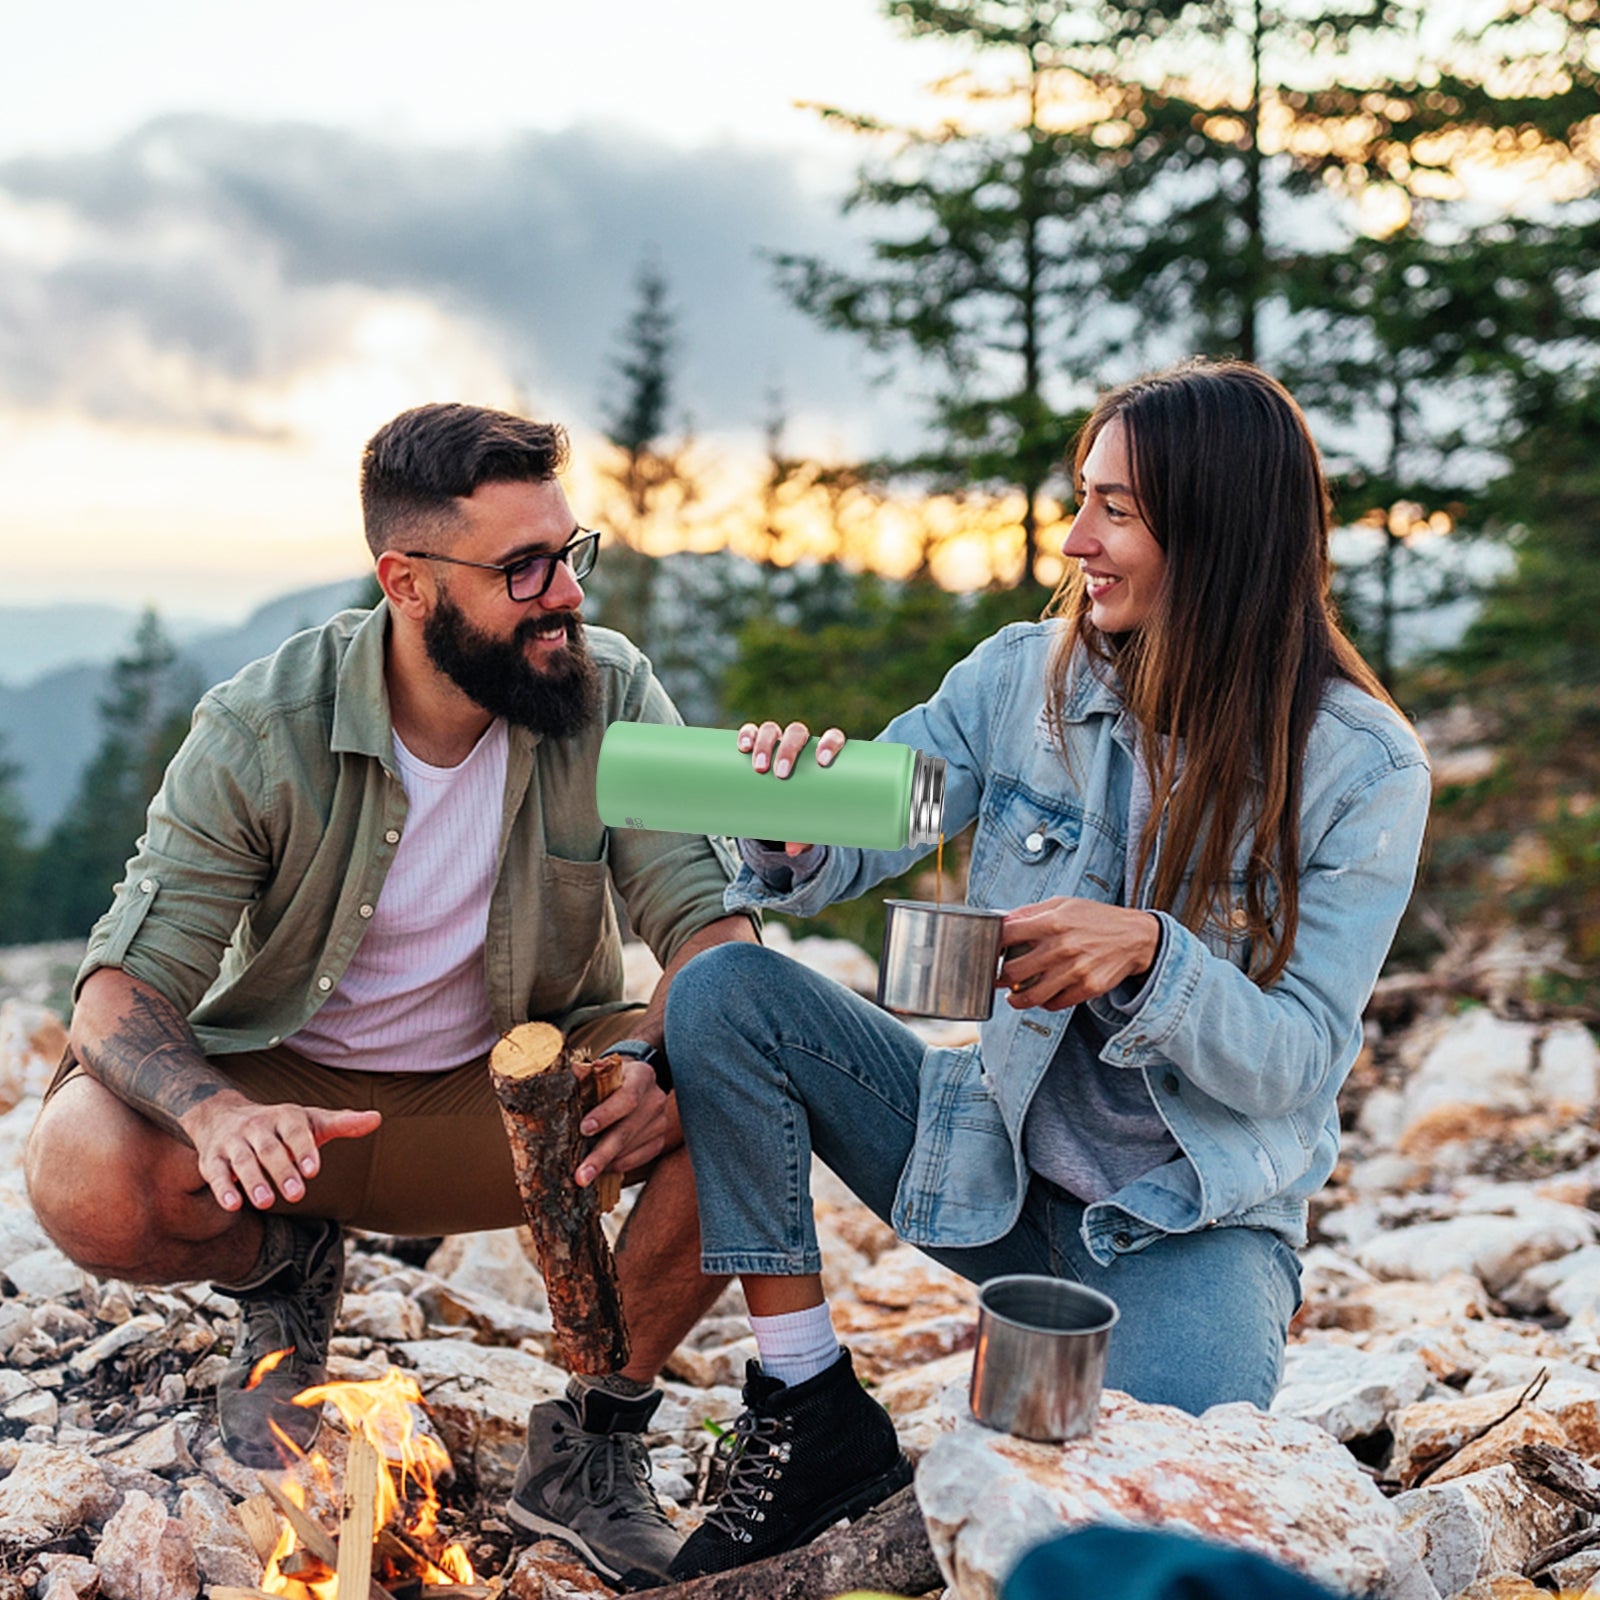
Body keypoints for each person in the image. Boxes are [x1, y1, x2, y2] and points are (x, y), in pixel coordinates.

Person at [660, 360, 1431, 1580]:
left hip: (1191, 1228)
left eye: (1114, 508)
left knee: (1136, 1533)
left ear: (1216, 528)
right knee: (727, 994)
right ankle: (806, 1401)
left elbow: (1298, 1060)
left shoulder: (1361, 769)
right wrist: (795, 820)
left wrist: (1152, 955)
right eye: (1084, 498)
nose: (1075, 538)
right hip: (992, 1168)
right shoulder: (1022, 679)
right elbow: (883, 812)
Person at [24, 402, 759, 1592]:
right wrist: (215, 1115)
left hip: (524, 1105)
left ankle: (592, 1441)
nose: (563, 593)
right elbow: (115, 992)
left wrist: (667, 1067)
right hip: (293, 1110)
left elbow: (710, 929)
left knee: (751, 1059)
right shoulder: (266, 724)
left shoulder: (608, 689)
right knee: (80, 1169)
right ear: (406, 583)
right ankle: (280, 1270)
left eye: (569, 554)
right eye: (522, 569)